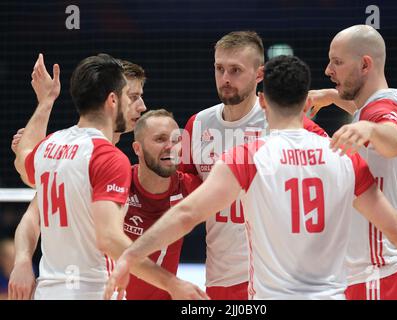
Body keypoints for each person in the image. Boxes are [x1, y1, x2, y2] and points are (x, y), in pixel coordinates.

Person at [105, 55, 397, 300]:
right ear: (307, 103)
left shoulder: (247, 157)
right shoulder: (341, 156)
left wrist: (131, 256)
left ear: (263, 103)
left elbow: (185, 215)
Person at [12, 53, 207, 300]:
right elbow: (109, 239)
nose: (140, 106)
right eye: (131, 97)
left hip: (49, 290)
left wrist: (46, 101)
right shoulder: (109, 158)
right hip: (95, 290)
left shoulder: (51, 145)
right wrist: (173, 284)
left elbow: (23, 159)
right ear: (113, 99)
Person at [179, 30, 327, 300]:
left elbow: (339, 164)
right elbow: (186, 192)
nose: (225, 78)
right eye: (219, 68)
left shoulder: (282, 119)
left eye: (235, 70)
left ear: (259, 75)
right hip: (220, 275)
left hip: (278, 277)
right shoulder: (197, 124)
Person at [308, 24, 397, 300]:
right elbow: (381, 163)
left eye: (337, 62)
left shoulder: (382, 111)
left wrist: (370, 130)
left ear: (365, 65)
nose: (328, 69)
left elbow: (392, 139)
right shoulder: (378, 105)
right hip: (379, 273)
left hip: (379, 274)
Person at [124, 109, 202, 299]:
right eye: (160, 139)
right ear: (137, 149)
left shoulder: (191, 189)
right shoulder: (119, 185)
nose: (170, 147)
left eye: (176, 140)